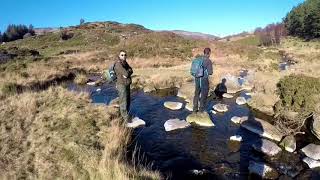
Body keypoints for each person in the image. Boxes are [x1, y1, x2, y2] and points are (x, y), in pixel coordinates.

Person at [114, 50, 133, 122]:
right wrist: (128, 72)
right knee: (123, 101)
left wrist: (128, 71)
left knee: (128, 100)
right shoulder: (118, 64)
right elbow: (126, 73)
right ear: (119, 56)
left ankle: (126, 115)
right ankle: (125, 119)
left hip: (126, 84)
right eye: (122, 55)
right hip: (121, 85)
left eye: (125, 55)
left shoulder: (125, 63)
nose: (124, 56)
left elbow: (131, 70)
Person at [193, 48, 213, 112]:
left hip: (197, 78)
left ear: (204, 52)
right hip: (204, 79)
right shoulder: (208, 60)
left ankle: (194, 109)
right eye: (210, 53)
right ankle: (201, 110)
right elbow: (210, 72)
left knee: (197, 93)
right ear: (209, 53)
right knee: (204, 94)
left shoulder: (199, 59)